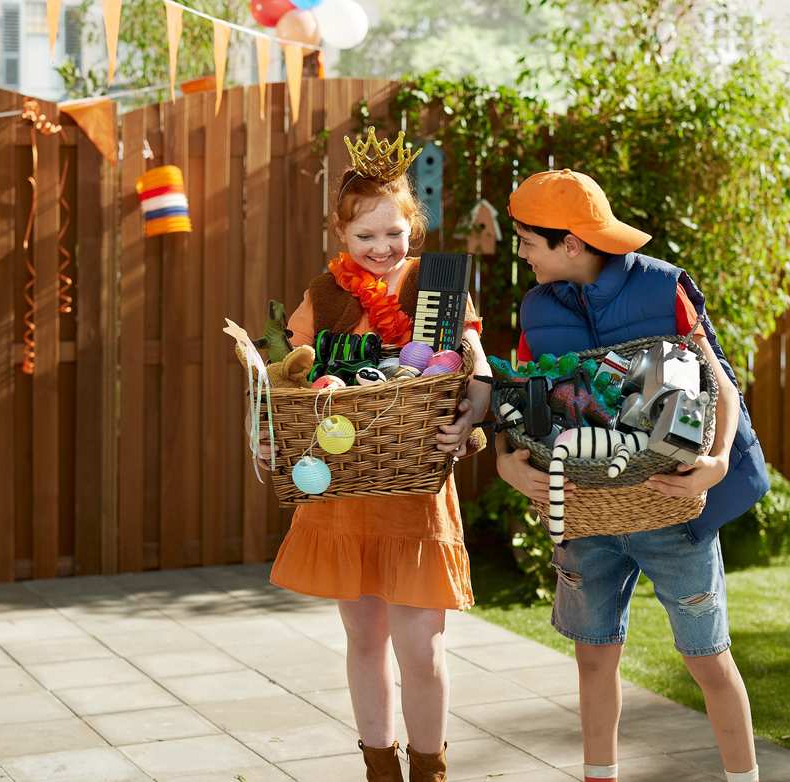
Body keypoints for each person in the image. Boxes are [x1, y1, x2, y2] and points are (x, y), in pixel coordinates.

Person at [495, 169, 771, 782]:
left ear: (571, 243)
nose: (520, 254)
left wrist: (718, 462)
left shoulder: (663, 289)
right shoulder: (537, 308)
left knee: (707, 659)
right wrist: (506, 463)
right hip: (586, 517)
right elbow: (521, 402)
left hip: (671, 509)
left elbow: (718, 384)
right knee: (593, 659)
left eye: (527, 242)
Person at [257, 128, 491, 782]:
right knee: (365, 642)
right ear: (341, 235)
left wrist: (474, 405)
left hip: (415, 497)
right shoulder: (325, 294)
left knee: (423, 650)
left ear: (413, 226)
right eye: (366, 238)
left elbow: (472, 356)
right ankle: (379, 767)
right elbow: (285, 374)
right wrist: (268, 428)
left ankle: (429, 769)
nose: (383, 248)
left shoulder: (438, 285)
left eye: (395, 233)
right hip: (345, 491)